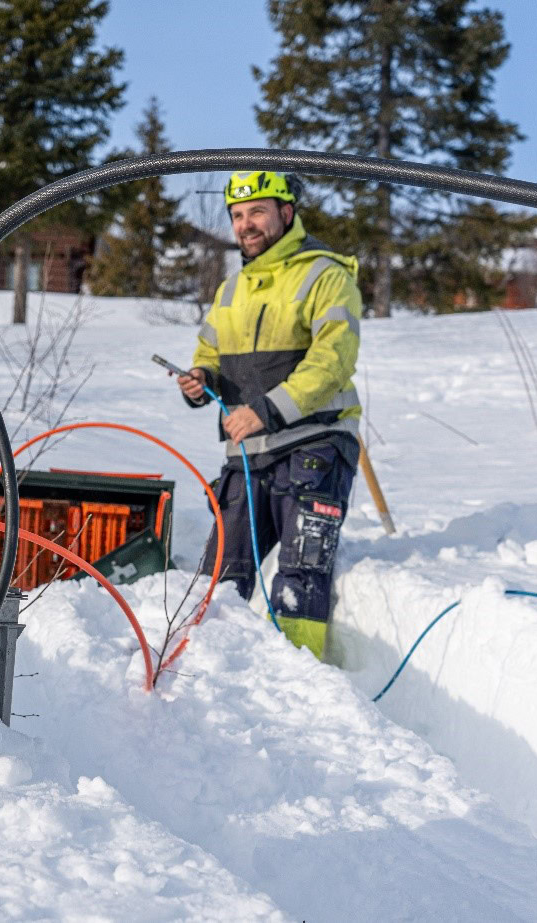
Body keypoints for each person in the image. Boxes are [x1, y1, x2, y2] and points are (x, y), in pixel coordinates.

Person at [176, 170, 363, 659]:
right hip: (247, 455)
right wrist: (200, 381)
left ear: (287, 212)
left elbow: (332, 361)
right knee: (216, 580)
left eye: (257, 211)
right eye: (238, 215)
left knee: (299, 581)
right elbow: (210, 356)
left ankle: (301, 689)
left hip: (315, 446)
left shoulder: (326, 275)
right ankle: (209, 679)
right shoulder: (231, 289)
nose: (246, 224)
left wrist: (265, 411)